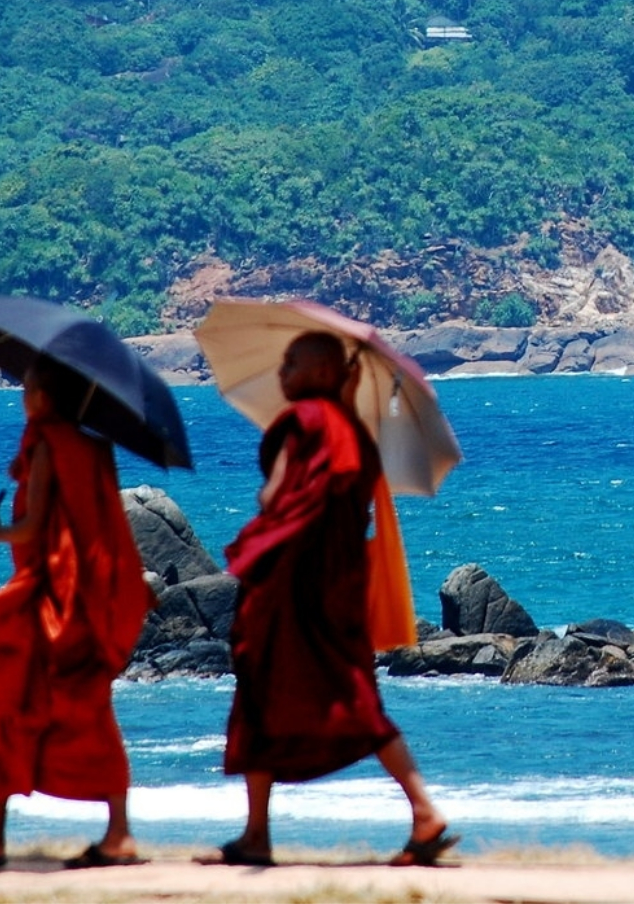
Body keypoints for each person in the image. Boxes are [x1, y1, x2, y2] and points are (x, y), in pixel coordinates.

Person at [209, 331, 454, 868]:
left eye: (292, 363)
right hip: (334, 586)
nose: (282, 374)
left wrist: (269, 495)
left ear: (323, 372)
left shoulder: (307, 423)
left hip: (294, 585)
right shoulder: (355, 435)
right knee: (346, 698)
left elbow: (281, 497)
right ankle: (257, 832)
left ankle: (420, 811)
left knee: (272, 696)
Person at [0, 360, 156, 870]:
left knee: (12, 706)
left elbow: (33, 528)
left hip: (53, 600)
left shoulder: (50, 444)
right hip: (90, 598)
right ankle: (113, 833)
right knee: (88, 711)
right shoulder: (92, 445)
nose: (22, 396)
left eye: (29, 388)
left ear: (48, 398)